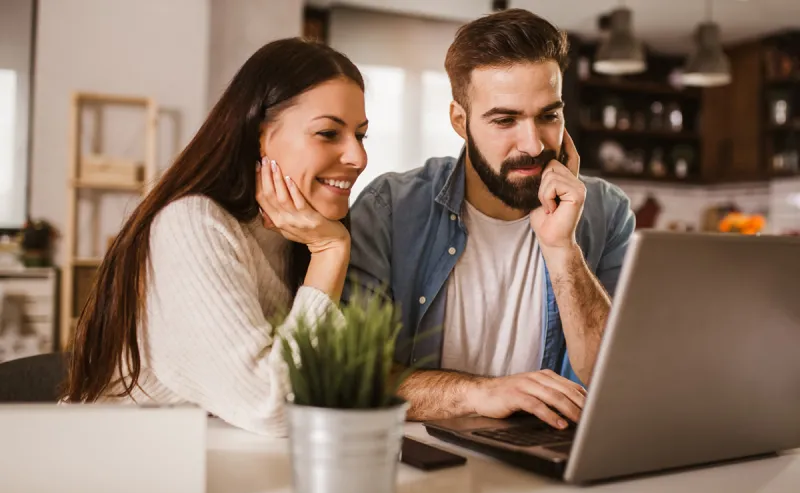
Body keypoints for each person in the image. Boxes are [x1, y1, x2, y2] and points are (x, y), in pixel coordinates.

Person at [62, 38, 369, 436]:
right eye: (328, 133)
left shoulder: (301, 237)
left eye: (361, 136)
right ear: (259, 137)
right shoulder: (192, 225)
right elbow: (272, 407)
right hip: (113, 458)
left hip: (211, 458)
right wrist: (330, 253)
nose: (358, 157)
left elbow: (337, 389)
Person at [345, 9, 635, 430]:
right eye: (505, 120)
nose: (533, 144)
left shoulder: (605, 210)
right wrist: (480, 393)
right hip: (422, 458)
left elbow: (617, 380)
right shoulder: (389, 209)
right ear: (459, 121)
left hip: (550, 456)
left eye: (548, 116)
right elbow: (354, 376)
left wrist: (561, 248)